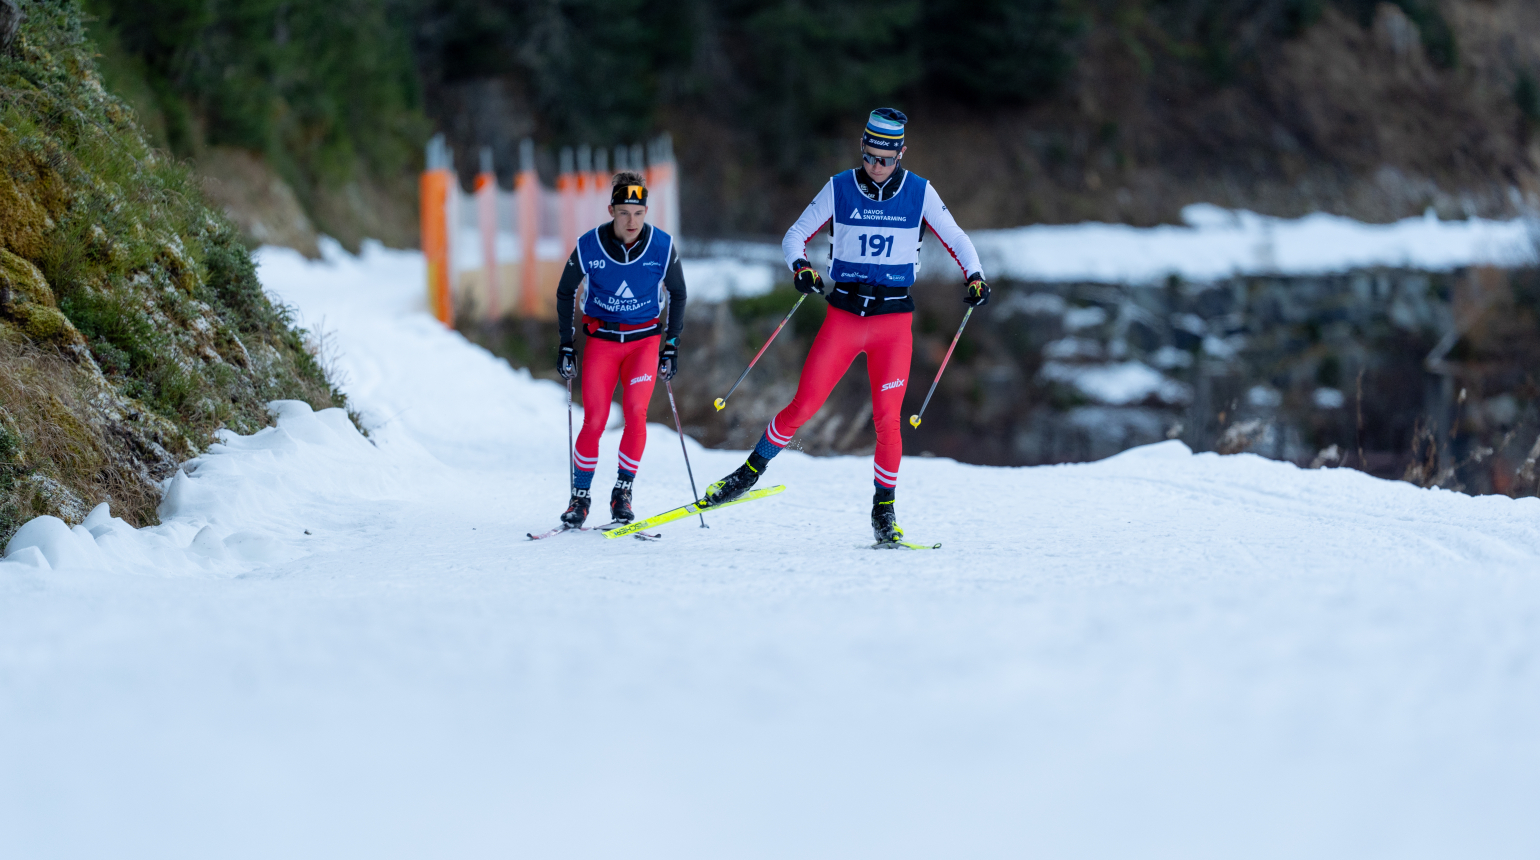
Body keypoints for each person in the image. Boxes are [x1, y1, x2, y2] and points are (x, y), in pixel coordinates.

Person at [701, 107, 988, 543]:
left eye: (885, 160)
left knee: (888, 422)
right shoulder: (839, 188)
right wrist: (801, 268)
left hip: (893, 324)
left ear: (901, 154)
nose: (875, 167)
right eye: (870, 157)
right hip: (845, 317)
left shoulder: (920, 192)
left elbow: (958, 238)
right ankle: (747, 474)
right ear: (862, 148)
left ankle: (883, 512)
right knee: (803, 405)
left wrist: (975, 275)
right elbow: (794, 235)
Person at [554, 170, 686, 527]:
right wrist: (567, 344)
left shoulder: (661, 246)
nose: (632, 221)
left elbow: (678, 293)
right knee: (595, 420)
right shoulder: (588, 245)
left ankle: (622, 493)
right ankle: (580, 498)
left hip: (644, 342)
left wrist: (671, 345)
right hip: (603, 342)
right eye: (625, 212)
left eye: (639, 213)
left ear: (646, 212)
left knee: (636, 414)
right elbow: (565, 291)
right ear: (611, 209)